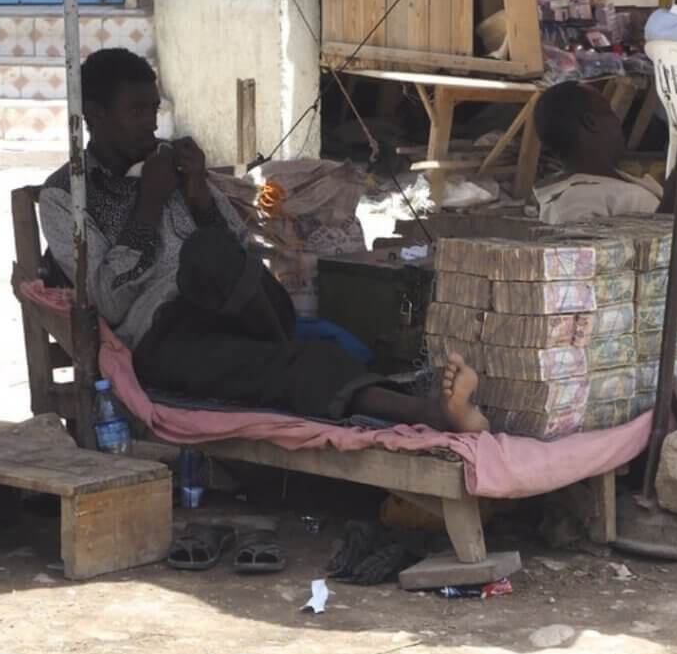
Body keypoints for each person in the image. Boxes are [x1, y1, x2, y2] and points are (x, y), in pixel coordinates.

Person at [40, 48, 487, 433]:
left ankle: (300, 355)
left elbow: (242, 251)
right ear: (95, 117)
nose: (150, 126)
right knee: (292, 363)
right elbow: (110, 304)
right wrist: (150, 203)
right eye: (136, 112)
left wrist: (198, 195)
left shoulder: (167, 164)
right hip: (166, 337)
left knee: (212, 253)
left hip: (245, 306)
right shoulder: (66, 196)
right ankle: (430, 412)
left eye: (154, 110)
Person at [532, 81, 677, 224]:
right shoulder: (573, 202)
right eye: (610, 112)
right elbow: (603, 264)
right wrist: (673, 206)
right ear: (591, 123)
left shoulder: (605, 181)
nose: (617, 123)